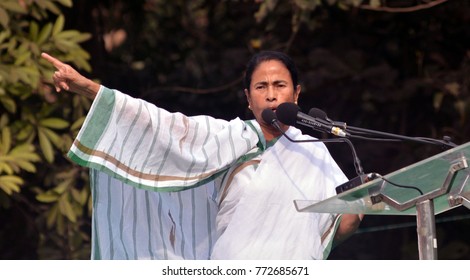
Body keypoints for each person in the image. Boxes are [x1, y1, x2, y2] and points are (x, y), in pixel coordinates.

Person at [41, 50, 363, 260]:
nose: (272, 94)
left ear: (296, 94)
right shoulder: (226, 138)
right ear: (248, 99)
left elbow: (341, 222)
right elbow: (161, 126)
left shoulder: (313, 151)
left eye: (280, 85)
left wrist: (362, 204)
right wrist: (87, 87)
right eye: (261, 87)